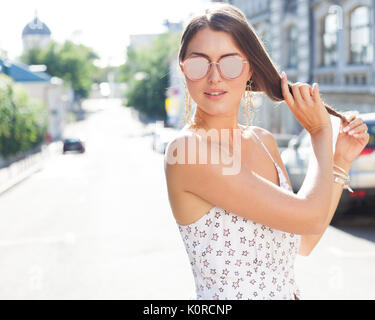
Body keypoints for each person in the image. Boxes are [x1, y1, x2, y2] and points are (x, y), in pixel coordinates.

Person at [164, 3, 369, 300]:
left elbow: (305, 240)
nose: (214, 77)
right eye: (199, 63)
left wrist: (340, 160)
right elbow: (309, 216)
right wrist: (321, 133)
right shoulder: (187, 151)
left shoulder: (264, 141)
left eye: (230, 63)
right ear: (183, 69)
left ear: (248, 68)